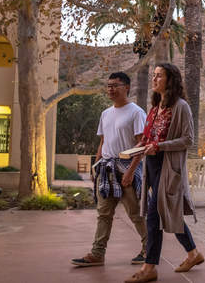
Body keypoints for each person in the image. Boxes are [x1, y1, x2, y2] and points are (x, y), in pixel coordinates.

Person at [125, 63, 203, 283]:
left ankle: (149, 267)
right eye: (154, 75)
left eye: (159, 76)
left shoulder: (181, 107)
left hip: (169, 166)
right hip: (152, 165)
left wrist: (160, 147)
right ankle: (193, 254)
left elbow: (188, 140)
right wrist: (139, 149)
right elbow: (149, 139)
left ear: (170, 80)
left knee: (154, 215)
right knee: (168, 212)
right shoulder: (155, 107)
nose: (154, 79)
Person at [71, 72, 148, 267]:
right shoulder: (105, 113)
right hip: (106, 170)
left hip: (127, 168)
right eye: (108, 86)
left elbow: (142, 145)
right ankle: (97, 254)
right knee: (104, 213)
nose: (111, 89)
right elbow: (103, 142)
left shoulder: (136, 112)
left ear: (127, 87)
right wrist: (95, 168)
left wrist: (130, 172)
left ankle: (149, 249)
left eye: (115, 85)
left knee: (135, 214)